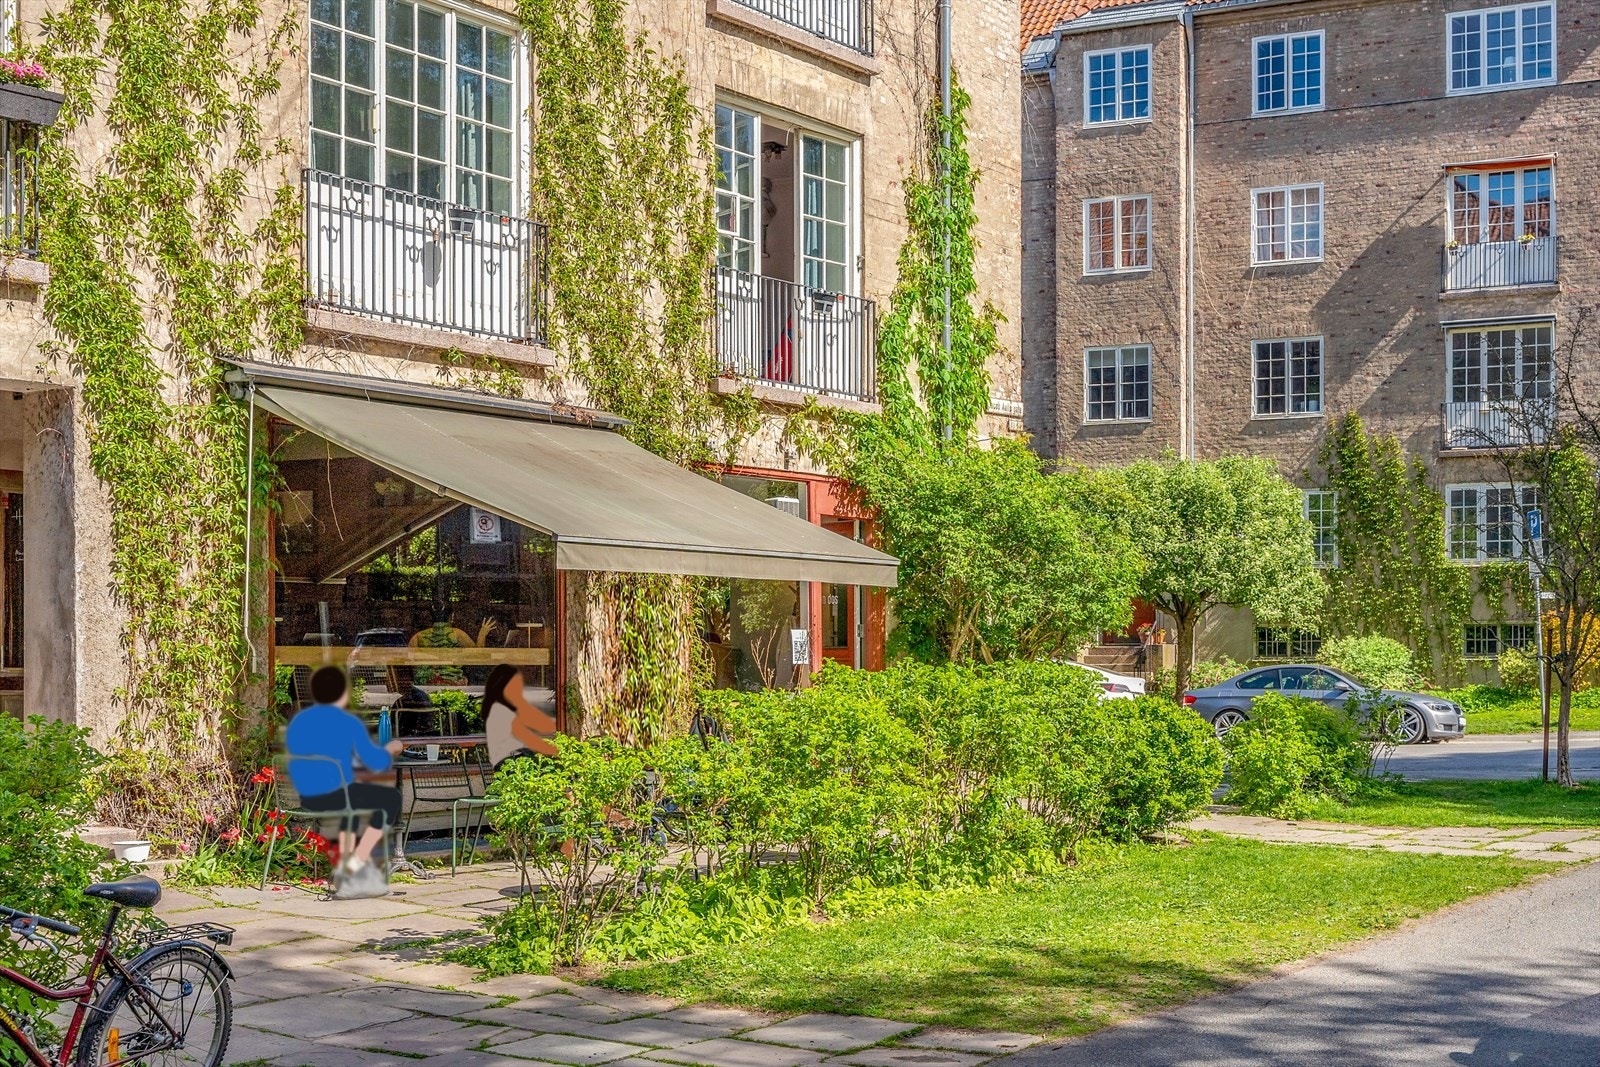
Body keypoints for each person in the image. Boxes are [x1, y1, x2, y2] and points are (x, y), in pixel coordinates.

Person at [285, 665, 403, 899]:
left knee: (355, 803)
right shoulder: (348, 722)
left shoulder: (299, 721)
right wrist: (391, 748)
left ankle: (352, 872)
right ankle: (354, 867)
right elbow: (376, 763)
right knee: (390, 799)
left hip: (307, 797)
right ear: (343, 693)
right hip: (338, 795)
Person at [482, 664, 557, 770]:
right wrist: (558, 753)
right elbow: (530, 739)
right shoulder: (501, 711)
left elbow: (544, 725)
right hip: (509, 763)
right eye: (515, 685)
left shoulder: (504, 707)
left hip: (512, 760)